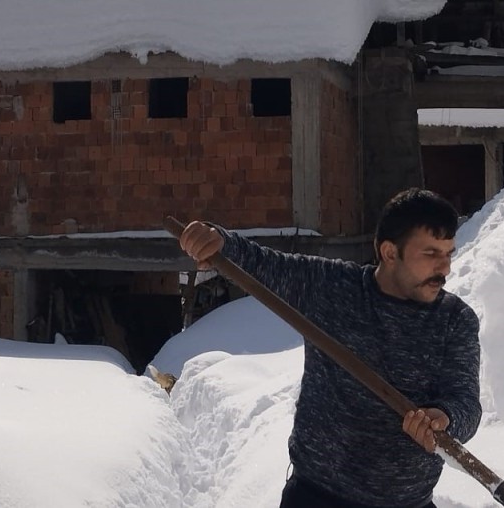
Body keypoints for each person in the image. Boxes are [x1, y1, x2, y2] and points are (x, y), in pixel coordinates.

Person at [177, 188, 481, 508]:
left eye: (448, 254)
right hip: (315, 496)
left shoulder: (454, 320)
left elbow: (465, 403)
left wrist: (445, 418)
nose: (445, 268)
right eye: (431, 254)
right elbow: (262, 264)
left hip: (407, 503)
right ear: (390, 252)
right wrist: (217, 241)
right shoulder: (334, 289)